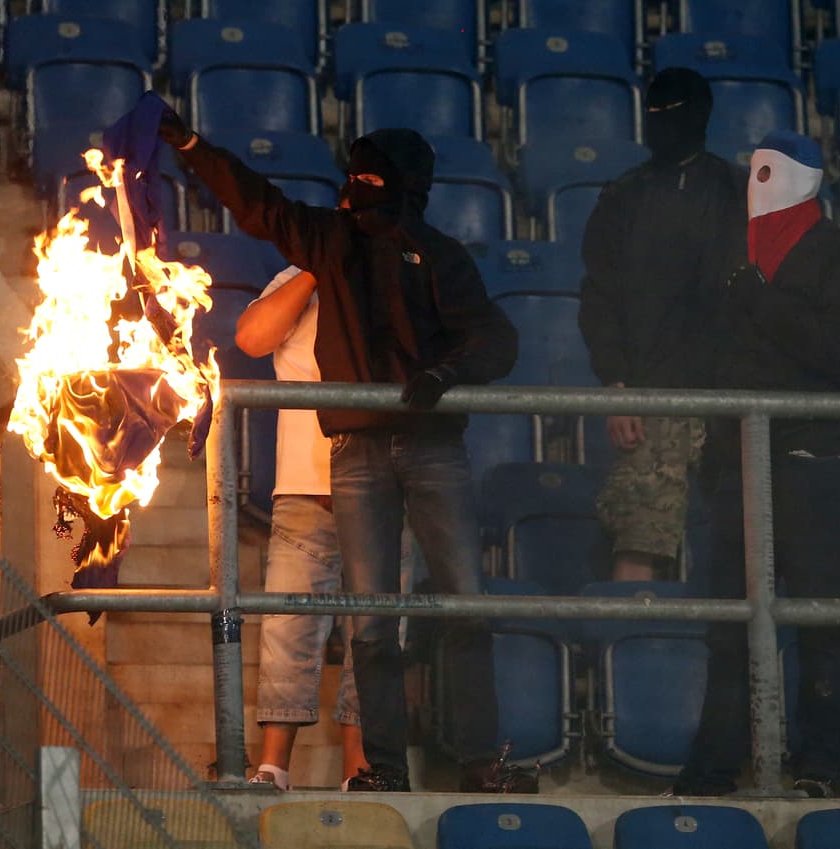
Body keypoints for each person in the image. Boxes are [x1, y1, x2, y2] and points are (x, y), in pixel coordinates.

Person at [159, 114, 527, 793]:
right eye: (353, 176)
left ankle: (479, 761)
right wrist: (191, 147)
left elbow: (496, 340)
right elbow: (256, 203)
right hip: (351, 452)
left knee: (464, 604)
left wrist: (443, 375)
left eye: (371, 176)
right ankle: (381, 769)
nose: (357, 189)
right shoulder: (330, 243)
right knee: (370, 623)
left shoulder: (439, 254)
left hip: (430, 447)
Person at [674, 130, 840, 798]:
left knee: (819, 620)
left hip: (816, 459)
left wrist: (762, 297)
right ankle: (715, 764)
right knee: (729, 623)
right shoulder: (737, 261)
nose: (756, 185)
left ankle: (819, 763)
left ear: (807, 180)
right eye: (753, 173)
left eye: (772, 172)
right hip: (739, 463)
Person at [578, 67, 747, 583]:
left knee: (744, 542)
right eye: (652, 113)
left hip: (734, 394)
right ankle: (629, 650)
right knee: (639, 535)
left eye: (670, 113)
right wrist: (617, 385)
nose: (659, 124)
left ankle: (735, 663)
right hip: (651, 395)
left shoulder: (736, 192)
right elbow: (600, 296)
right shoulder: (625, 195)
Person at [234, 265, 366, 791]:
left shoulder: (402, 263)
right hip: (304, 483)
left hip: (389, 480)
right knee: (287, 626)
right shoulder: (297, 274)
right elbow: (251, 337)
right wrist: (317, 266)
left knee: (376, 635)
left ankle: (363, 771)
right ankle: (273, 769)